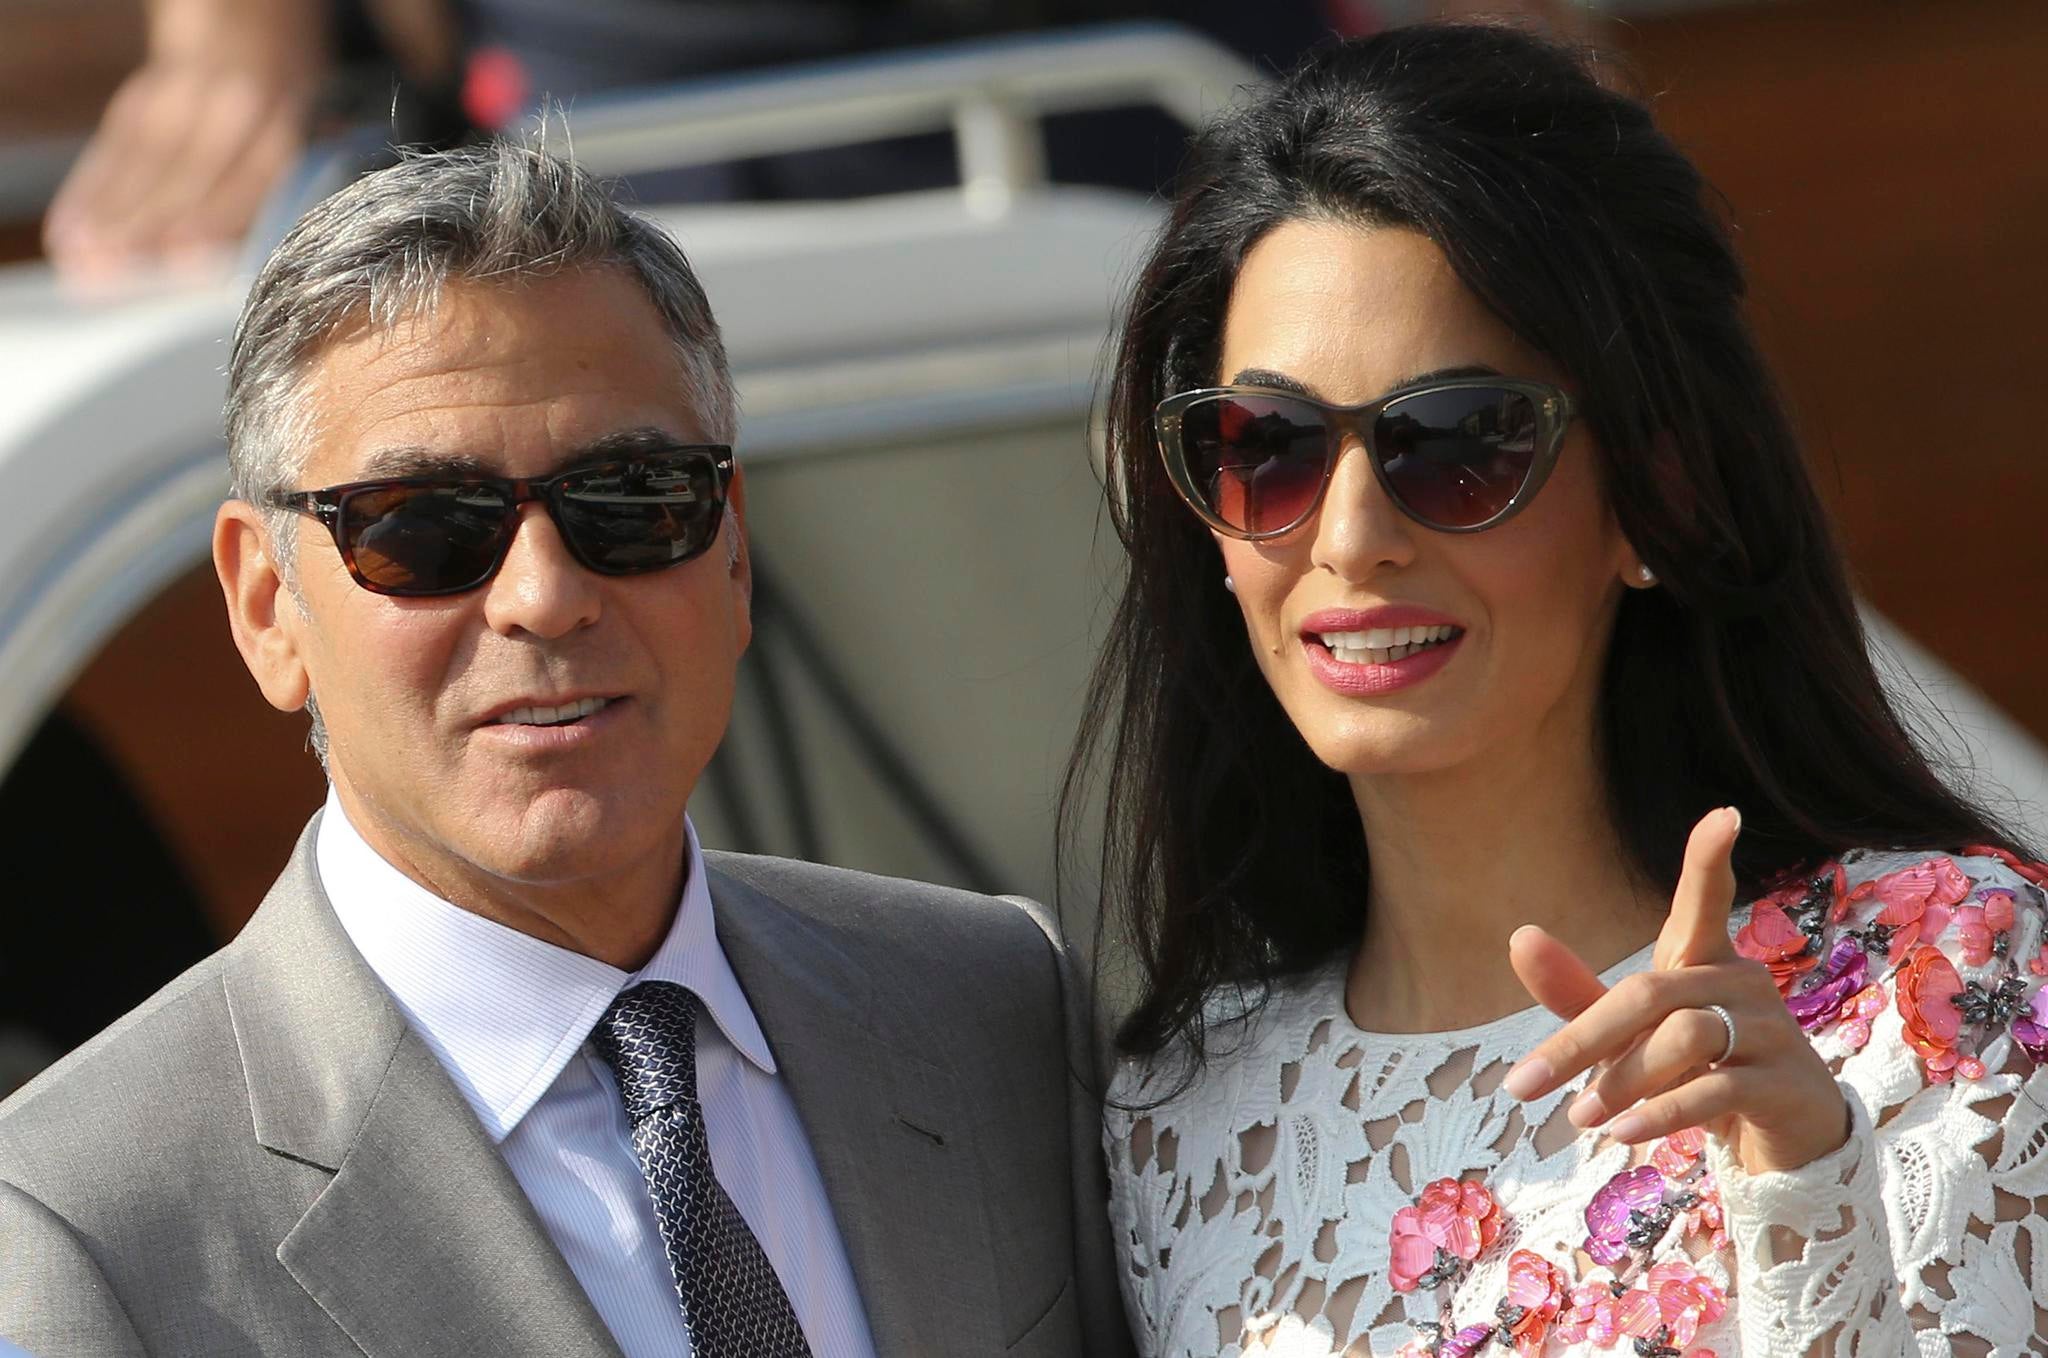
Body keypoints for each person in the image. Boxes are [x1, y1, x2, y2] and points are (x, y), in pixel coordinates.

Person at [0, 141, 1128, 1358]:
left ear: (732, 548)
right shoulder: (82, 1224)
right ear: (267, 606)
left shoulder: (988, 1002)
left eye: (631, 498)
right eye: (425, 529)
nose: (544, 594)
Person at [1073, 23, 2048, 1357]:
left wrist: (1800, 1177)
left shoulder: (1949, 968)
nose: (1351, 536)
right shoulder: (1174, 1116)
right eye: (1268, 448)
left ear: (1658, 489)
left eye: (1458, 442)